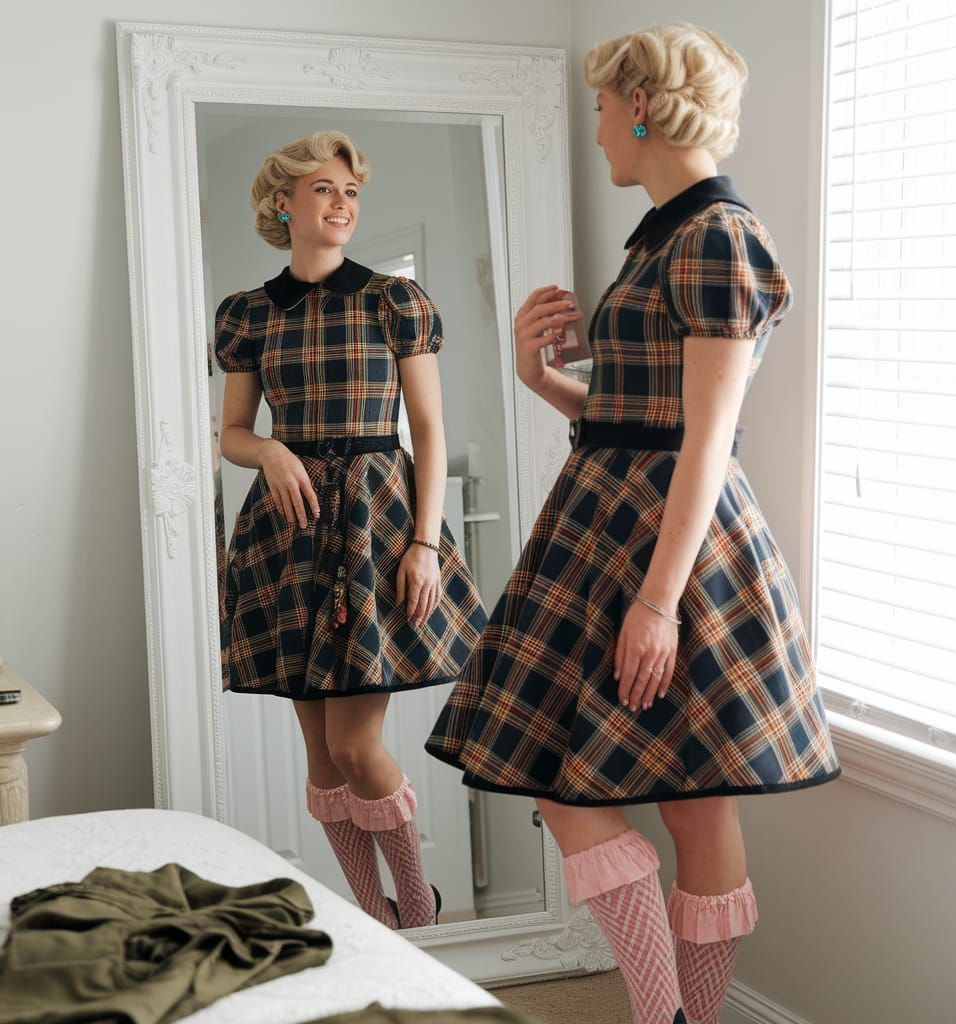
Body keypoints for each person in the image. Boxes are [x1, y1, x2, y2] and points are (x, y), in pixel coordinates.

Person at [426, 23, 840, 1024]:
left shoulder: (717, 237)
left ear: (644, 106)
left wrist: (656, 604)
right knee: (651, 796)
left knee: (674, 802)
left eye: (605, 108)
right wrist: (546, 383)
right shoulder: (661, 232)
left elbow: (707, 441)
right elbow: (643, 423)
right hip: (611, 519)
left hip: (674, 551)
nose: (600, 128)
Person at [216, 130, 488, 931]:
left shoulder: (392, 301)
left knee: (358, 747)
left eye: (351, 193)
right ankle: (375, 918)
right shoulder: (248, 315)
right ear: (283, 203)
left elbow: (430, 431)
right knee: (322, 755)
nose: (342, 205)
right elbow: (230, 431)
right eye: (326, 190)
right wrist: (267, 448)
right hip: (288, 533)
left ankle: (421, 912)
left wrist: (427, 543)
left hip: (379, 523)